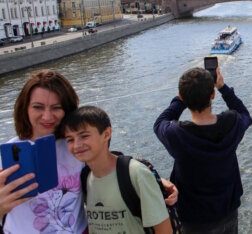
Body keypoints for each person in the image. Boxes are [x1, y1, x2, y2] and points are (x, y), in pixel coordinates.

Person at [154, 67, 252, 233]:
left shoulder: (177, 135)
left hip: (194, 220)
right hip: (228, 213)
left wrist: (180, 101)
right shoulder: (231, 124)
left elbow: (160, 122)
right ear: (212, 95)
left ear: (182, 97)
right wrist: (223, 87)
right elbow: (244, 113)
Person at [0, 69, 88, 233]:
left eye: (56, 108)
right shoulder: (4, 156)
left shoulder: (78, 147)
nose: (47, 117)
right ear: (25, 109)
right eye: (38, 107)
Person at [64, 106, 172, 233]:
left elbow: (164, 230)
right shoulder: (85, 177)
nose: (76, 145)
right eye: (70, 139)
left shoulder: (135, 173)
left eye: (84, 136)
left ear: (106, 134)